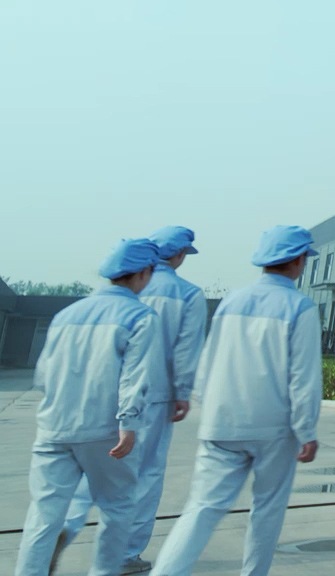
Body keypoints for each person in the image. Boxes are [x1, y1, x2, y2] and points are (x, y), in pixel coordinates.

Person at [151, 226, 323, 576]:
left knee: (201, 508)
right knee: (267, 510)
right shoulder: (299, 306)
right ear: (298, 261)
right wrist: (306, 430)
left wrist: (206, 402)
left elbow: (209, 356)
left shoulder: (232, 300)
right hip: (274, 426)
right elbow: (303, 377)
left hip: (221, 421)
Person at [59, 227, 208, 574]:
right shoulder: (188, 294)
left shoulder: (119, 287)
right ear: (180, 254)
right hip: (154, 394)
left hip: (103, 391)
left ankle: (67, 523)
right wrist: (182, 392)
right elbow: (186, 350)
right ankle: (126, 553)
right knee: (146, 473)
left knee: (92, 466)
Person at [14, 238, 163, 576]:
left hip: (54, 428)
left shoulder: (67, 314)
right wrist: (129, 424)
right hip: (105, 431)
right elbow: (135, 376)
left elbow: (43, 375)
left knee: (44, 514)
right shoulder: (140, 316)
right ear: (143, 273)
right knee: (117, 507)